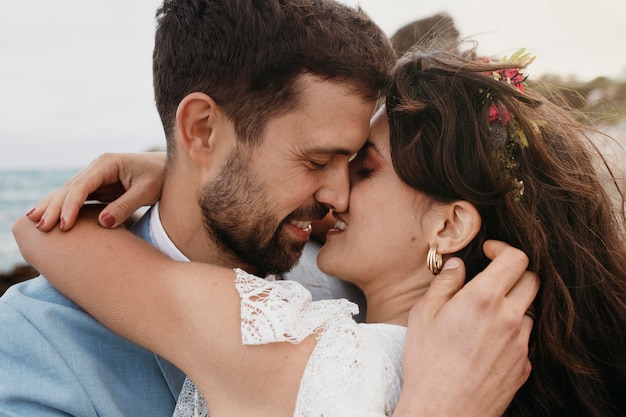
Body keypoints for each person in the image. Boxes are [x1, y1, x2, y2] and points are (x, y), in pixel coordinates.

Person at [26, 44, 623, 416]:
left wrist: (189, 173)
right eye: (323, 162)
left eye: (362, 169)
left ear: (448, 224)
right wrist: (178, 168)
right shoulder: (506, 365)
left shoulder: (295, 351)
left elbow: (44, 233)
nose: (334, 194)